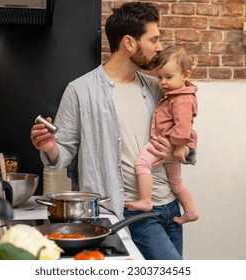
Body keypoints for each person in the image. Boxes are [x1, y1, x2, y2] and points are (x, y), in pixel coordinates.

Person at [30, 2, 195, 260]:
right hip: (129, 212)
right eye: (154, 39)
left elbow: (187, 136)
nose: (160, 46)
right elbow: (62, 155)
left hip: (170, 206)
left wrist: (181, 152)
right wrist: (49, 146)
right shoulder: (80, 90)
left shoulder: (157, 88)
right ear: (129, 43)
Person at [124, 45, 199, 225]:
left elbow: (183, 125)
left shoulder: (181, 98)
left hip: (165, 141)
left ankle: (145, 200)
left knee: (142, 163)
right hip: (172, 144)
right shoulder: (175, 94)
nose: (163, 82)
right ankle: (190, 211)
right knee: (176, 181)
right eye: (159, 77)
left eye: (168, 77)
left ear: (186, 76)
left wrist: (180, 145)